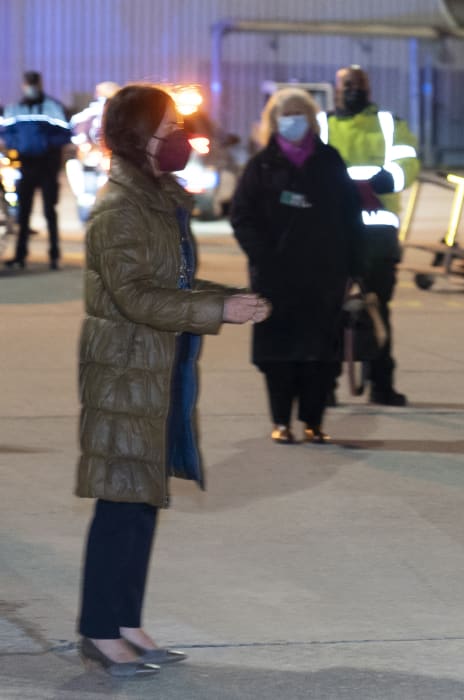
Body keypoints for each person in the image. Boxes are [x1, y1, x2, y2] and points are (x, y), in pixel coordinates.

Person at [76, 84, 270, 677]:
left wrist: (227, 299)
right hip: (125, 373)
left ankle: (126, 619)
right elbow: (135, 297)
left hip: (160, 369)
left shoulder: (159, 199)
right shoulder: (118, 208)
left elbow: (175, 286)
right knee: (121, 503)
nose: (179, 139)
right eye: (167, 129)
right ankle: (99, 629)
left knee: (144, 501)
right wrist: (217, 312)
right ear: (138, 139)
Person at [231, 88, 364, 444]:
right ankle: (281, 421)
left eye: (299, 112)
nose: (293, 120)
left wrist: (354, 267)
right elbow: (242, 216)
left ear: (311, 119)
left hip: (325, 276)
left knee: (321, 353)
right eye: (286, 113)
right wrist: (263, 256)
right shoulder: (261, 166)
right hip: (275, 278)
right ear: (274, 120)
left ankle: (313, 421)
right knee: (278, 354)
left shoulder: (329, 161)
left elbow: (351, 216)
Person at [327, 65, 419, 407]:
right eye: (347, 84)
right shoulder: (323, 125)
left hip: (378, 235)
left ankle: (382, 384)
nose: (353, 90)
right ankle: (326, 386)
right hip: (334, 235)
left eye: (359, 84)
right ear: (336, 88)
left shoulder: (390, 123)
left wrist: (386, 179)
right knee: (330, 312)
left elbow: (408, 163)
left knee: (377, 311)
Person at [1, 71, 70, 270]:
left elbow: (65, 133)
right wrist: (20, 145)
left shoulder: (52, 107)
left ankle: (54, 255)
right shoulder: (15, 108)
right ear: (24, 85)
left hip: (47, 165)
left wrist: (45, 144)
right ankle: (20, 255)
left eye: (33, 83)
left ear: (39, 84)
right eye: (28, 83)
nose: (31, 87)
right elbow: (6, 133)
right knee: (23, 213)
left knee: (50, 212)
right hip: (26, 164)